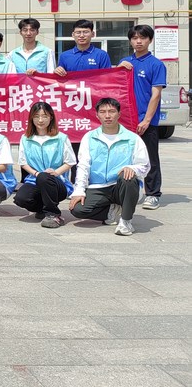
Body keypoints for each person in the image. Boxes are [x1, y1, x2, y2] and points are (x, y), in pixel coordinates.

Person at [69, 97, 149, 236]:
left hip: (122, 186)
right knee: (77, 210)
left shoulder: (132, 138)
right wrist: (79, 190)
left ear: (119, 114)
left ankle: (126, 221)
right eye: (103, 112)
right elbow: (83, 165)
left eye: (112, 111)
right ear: (97, 115)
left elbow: (144, 165)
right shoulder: (89, 137)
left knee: (128, 176)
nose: (107, 116)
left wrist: (133, 168)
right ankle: (111, 210)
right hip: (98, 187)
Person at [54, 19, 113, 178]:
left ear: (92, 34)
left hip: (93, 109)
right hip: (72, 109)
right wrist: (57, 72)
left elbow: (107, 81)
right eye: (78, 32)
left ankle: (95, 179)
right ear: (73, 35)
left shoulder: (101, 55)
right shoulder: (65, 56)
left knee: (94, 145)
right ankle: (75, 181)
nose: (82, 35)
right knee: (73, 147)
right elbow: (60, 83)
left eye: (85, 32)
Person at [117, 24, 166, 211]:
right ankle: (131, 190)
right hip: (126, 120)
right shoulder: (125, 62)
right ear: (130, 41)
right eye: (135, 38)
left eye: (143, 38)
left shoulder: (156, 64)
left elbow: (156, 95)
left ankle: (153, 194)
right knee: (126, 157)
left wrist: (146, 120)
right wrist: (118, 69)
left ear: (150, 40)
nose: (138, 41)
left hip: (146, 121)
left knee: (149, 158)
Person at [13, 102, 76, 228]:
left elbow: (70, 161)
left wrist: (56, 172)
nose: (40, 120)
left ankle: (54, 214)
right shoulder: (26, 138)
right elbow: (23, 162)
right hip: (35, 180)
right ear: (31, 118)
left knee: (44, 177)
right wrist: (36, 173)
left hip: (57, 182)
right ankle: (42, 209)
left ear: (51, 117)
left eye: (44, 116)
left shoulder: (61, 138)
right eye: (36, 116)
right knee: (21, 198)